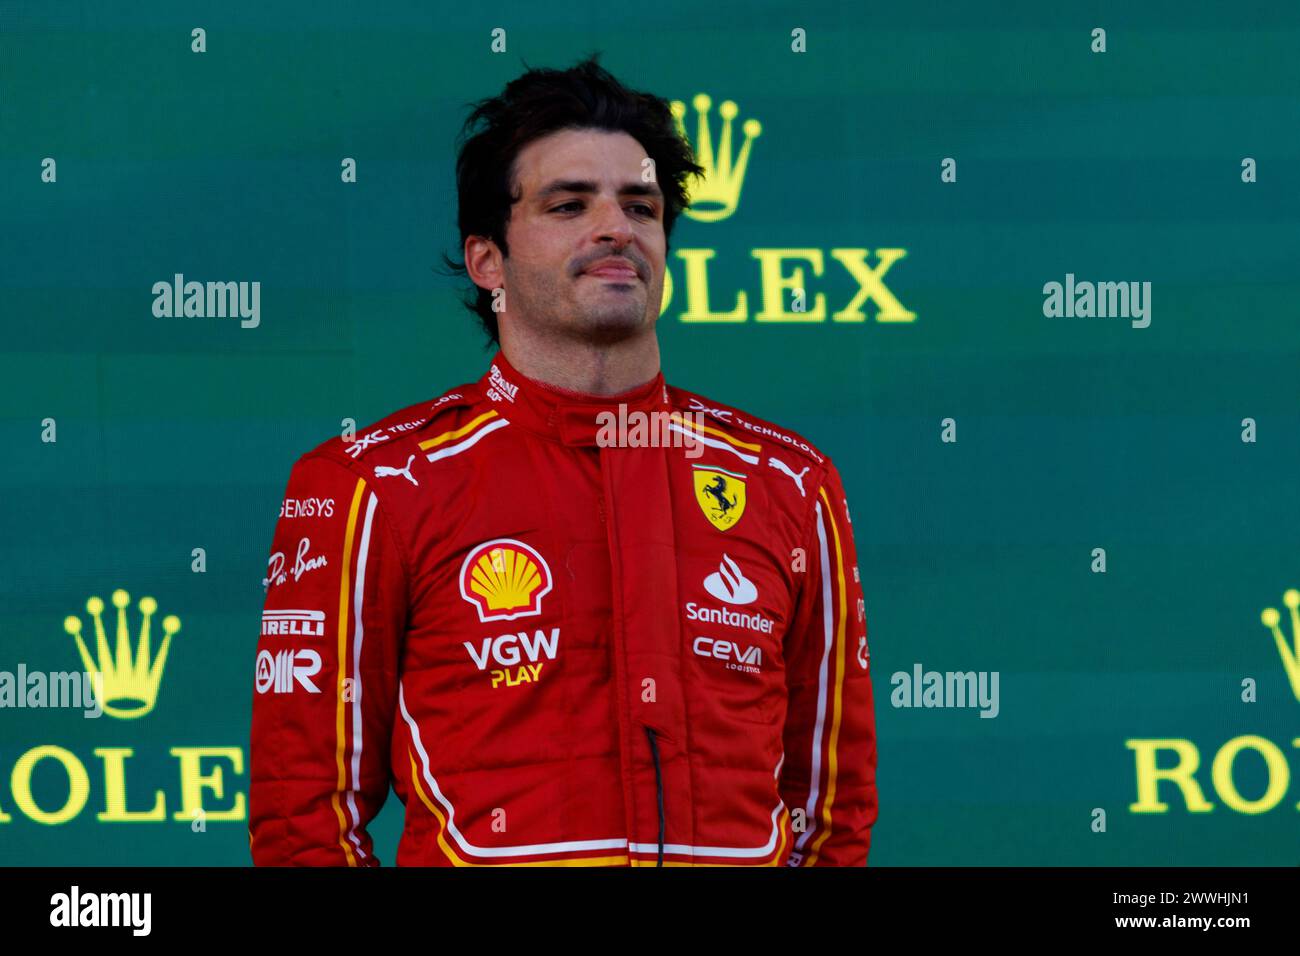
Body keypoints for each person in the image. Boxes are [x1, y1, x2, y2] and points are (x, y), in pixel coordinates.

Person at [249, 54, 877, 867]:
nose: (615, 226)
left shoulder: (791, 482)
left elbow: (832, 804)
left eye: (640, 206)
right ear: (487, 261)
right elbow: (304, 815)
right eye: (569, 203)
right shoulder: (371, 484)